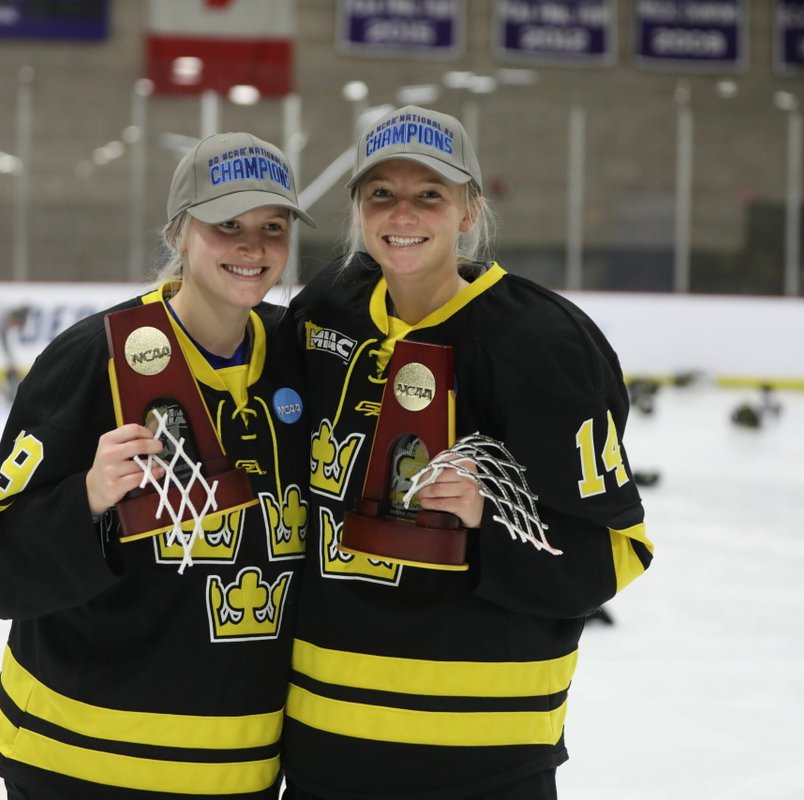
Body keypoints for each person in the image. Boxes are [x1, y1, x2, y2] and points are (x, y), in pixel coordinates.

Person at [281, 106, 654, 799]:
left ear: (469, 211)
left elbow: (610, 555)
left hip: (483, 758)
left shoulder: (546, 343)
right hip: (323, 747)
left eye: (431, 195)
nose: (403, 213)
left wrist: (491, 519)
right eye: (381, 194)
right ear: (359, 209)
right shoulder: (327, 308)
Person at [0, 131, 315, 799]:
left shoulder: (301, 358)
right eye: (226, 224)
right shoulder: (93, 358)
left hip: (238, 772)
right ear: (180, 232)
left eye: (273, 227)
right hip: (78, 764)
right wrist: (88, 499)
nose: (253, 247)